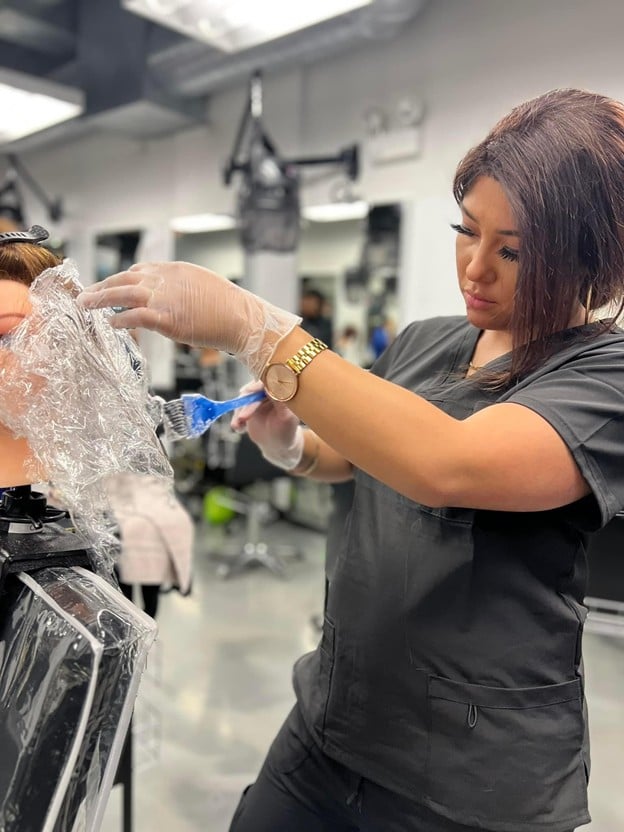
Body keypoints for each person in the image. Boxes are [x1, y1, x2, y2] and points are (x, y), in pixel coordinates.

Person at [76, 88, 624, 832]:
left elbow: (448, 464)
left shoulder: (601, 377)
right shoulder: (426, 342)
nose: (475, 267)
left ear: (591, 257)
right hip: (338, 720)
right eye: (467, 232)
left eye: (514, 250)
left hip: (475, 776)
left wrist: (254, 325)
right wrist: (292, 442)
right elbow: (357, 456)